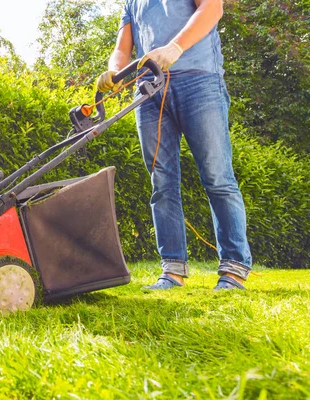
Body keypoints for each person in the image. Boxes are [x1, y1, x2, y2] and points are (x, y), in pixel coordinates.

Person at [97, 0, 252, 290]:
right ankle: (172, 271)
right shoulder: (132, 2)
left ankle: (233, 269)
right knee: (162, 183)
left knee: (217, 177)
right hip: (149, 92)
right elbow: (122, 48)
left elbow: (212, 9)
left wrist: (175, 47)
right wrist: (114, 72)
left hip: (200, 82)